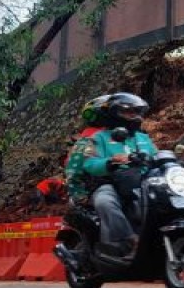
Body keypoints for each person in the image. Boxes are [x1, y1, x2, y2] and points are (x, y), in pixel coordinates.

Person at [64, 92, 157, 261]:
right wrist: (111, 161)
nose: (133, 115)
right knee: (105, 201)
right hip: (109, 183)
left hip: (143, 181)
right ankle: (128, 241)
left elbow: (156, 157)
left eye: (136, 111)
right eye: (127, 111)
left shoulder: (143, 138)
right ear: (113, 113)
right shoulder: (97, 138)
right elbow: (88, 164)